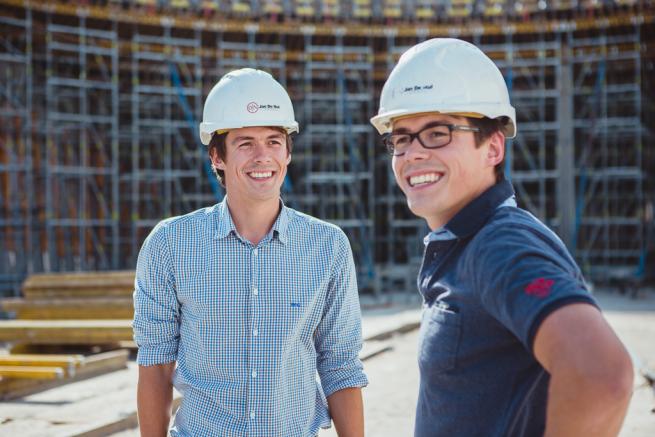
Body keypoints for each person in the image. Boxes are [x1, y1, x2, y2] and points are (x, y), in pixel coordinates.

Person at [370, 38, 633, 437]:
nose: (412, 153)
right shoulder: (467, 243)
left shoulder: (499, 244)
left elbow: (601, 375)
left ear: (493, 147)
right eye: (401, 138)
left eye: (437, 133)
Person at [133, 68, 367, 437]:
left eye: (274, 142)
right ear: (217, 157)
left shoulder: (328, 247)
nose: (263, 157)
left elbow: (339, 365)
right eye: (245, 143)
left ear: (288, 153)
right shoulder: (169, 245)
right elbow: (156, 364)